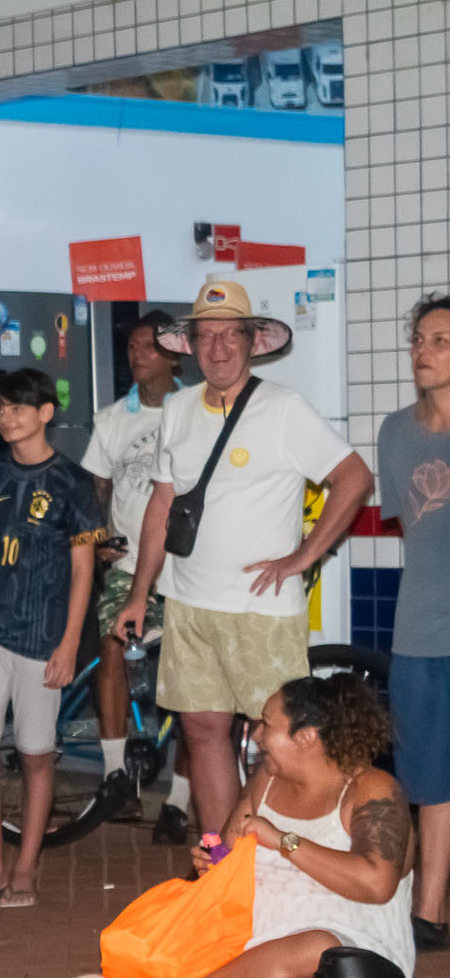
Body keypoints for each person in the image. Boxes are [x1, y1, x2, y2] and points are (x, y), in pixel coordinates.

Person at [116, 278, 375, 850]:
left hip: (261, 611)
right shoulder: (179, 409)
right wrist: (140, 593)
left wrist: (305, 555)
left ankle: (287, 856)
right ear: (189, 345)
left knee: (280, 742)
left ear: (253, 341)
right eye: (206, 336)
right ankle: (224, 859)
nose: (218, 348)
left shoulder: (284, 408)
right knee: (202, 731)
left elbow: (354, 478)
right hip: (188, 603)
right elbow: (162, 504)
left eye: (231, 334)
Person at [0, 367, 105, 911]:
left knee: (35, 756)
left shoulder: (74, 481)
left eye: (17, 407)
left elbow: (82, 569)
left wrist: (70, 643)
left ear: (46, 413)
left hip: (44, 637)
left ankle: (27, 864)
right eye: (0, 408)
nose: (6, 417)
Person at [199, 674, 414, 977]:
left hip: (347, 957)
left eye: (268, 724)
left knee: (317, 947)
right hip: (250, 947)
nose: (257, 735)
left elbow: (376, 883)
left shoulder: (371, 789)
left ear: (305, 737)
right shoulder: (266, 782)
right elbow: (225, 856)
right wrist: (211, 863)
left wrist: (284, 841)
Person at [84, 309, 191, 840]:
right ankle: (114, 774)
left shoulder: (196, 411)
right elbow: (95, 491)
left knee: (194, 679)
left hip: (189, 567)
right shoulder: (111, 419)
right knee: (111, 646)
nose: (136, 354)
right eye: (132, 346)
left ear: (174, 353)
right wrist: (96, 537)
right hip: (127, 564)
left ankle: (181, 800)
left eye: (149, 346)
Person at [380, 294, 450, 950]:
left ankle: (427, 907)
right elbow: (411, 530)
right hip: (420, 628)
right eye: (417, 340)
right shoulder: (395, 432)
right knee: (424, 775)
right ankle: (426, 912)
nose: (420, 352)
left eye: (438, 341)